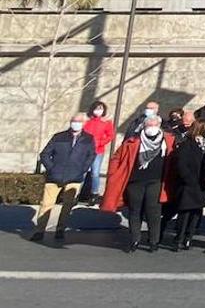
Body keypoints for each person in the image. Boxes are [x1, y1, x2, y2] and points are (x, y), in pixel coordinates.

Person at [103, 115, 175, 252]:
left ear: (159, 126)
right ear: (144, 126)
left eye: (154, 125)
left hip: (157, 181)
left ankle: (154, 241)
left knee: (153, 211)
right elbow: (116, 158)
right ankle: (135, 239)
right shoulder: (133, 141)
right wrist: (113, 174)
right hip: (135, 182)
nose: (151, 128)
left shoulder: (168, 141)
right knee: (135, 211)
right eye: (149, 125)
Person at [31, 112, 95, 242]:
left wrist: (82, 170)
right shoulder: (59, 137)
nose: (75, 123)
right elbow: (45, 154)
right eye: (73, 120)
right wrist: (51, 168)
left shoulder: (88, 139)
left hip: (74, 177)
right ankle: (40, 231)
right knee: (46, 204)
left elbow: (91, 156)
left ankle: (60, 229)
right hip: (54, 176)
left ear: (83, 124)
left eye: (78, 121)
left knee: (67, 205)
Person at [168, 119, 205, 251]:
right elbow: (181, 164)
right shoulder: (187, 144)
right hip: (188, 184)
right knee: (185, 213)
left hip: (201, 184)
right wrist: (188, 179)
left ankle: (188, 238)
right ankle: (179, 239)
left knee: (196, 213)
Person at [82, 101, 115, 204]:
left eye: (100, 108)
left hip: (98, 151)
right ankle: (76, 194)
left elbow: (110, 135)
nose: (98, 110)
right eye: (96, 108)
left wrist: (101, 143)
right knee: (82, 172)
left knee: (95, 173)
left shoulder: (106, 122)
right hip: (85, 151)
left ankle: (94, 194)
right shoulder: (87, 122)